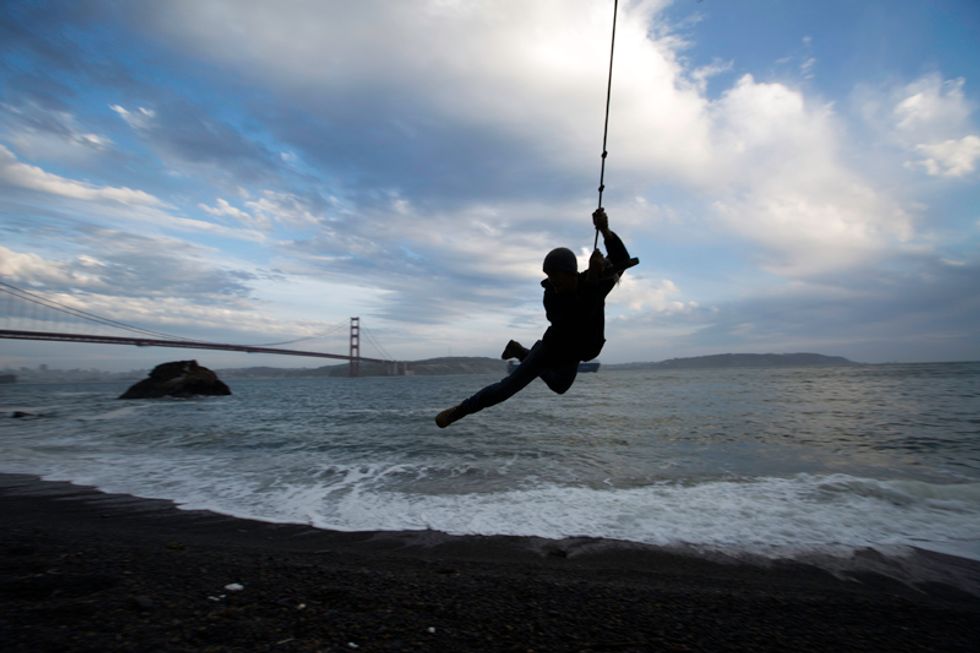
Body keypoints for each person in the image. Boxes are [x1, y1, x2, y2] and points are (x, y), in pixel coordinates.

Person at [435, 207, 632, 428]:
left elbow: (622, 260)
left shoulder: (594, 279)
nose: (554, 286)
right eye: (550, 280)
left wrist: (605, 231)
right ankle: (459, 411)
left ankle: (520, 351)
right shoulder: (552, 297)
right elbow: (578, 315)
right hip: (553, 348)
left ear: (571, 274)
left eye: (557, 280)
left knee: (559, 386)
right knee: (506, 388)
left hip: (577, 350)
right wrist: (594, 277)